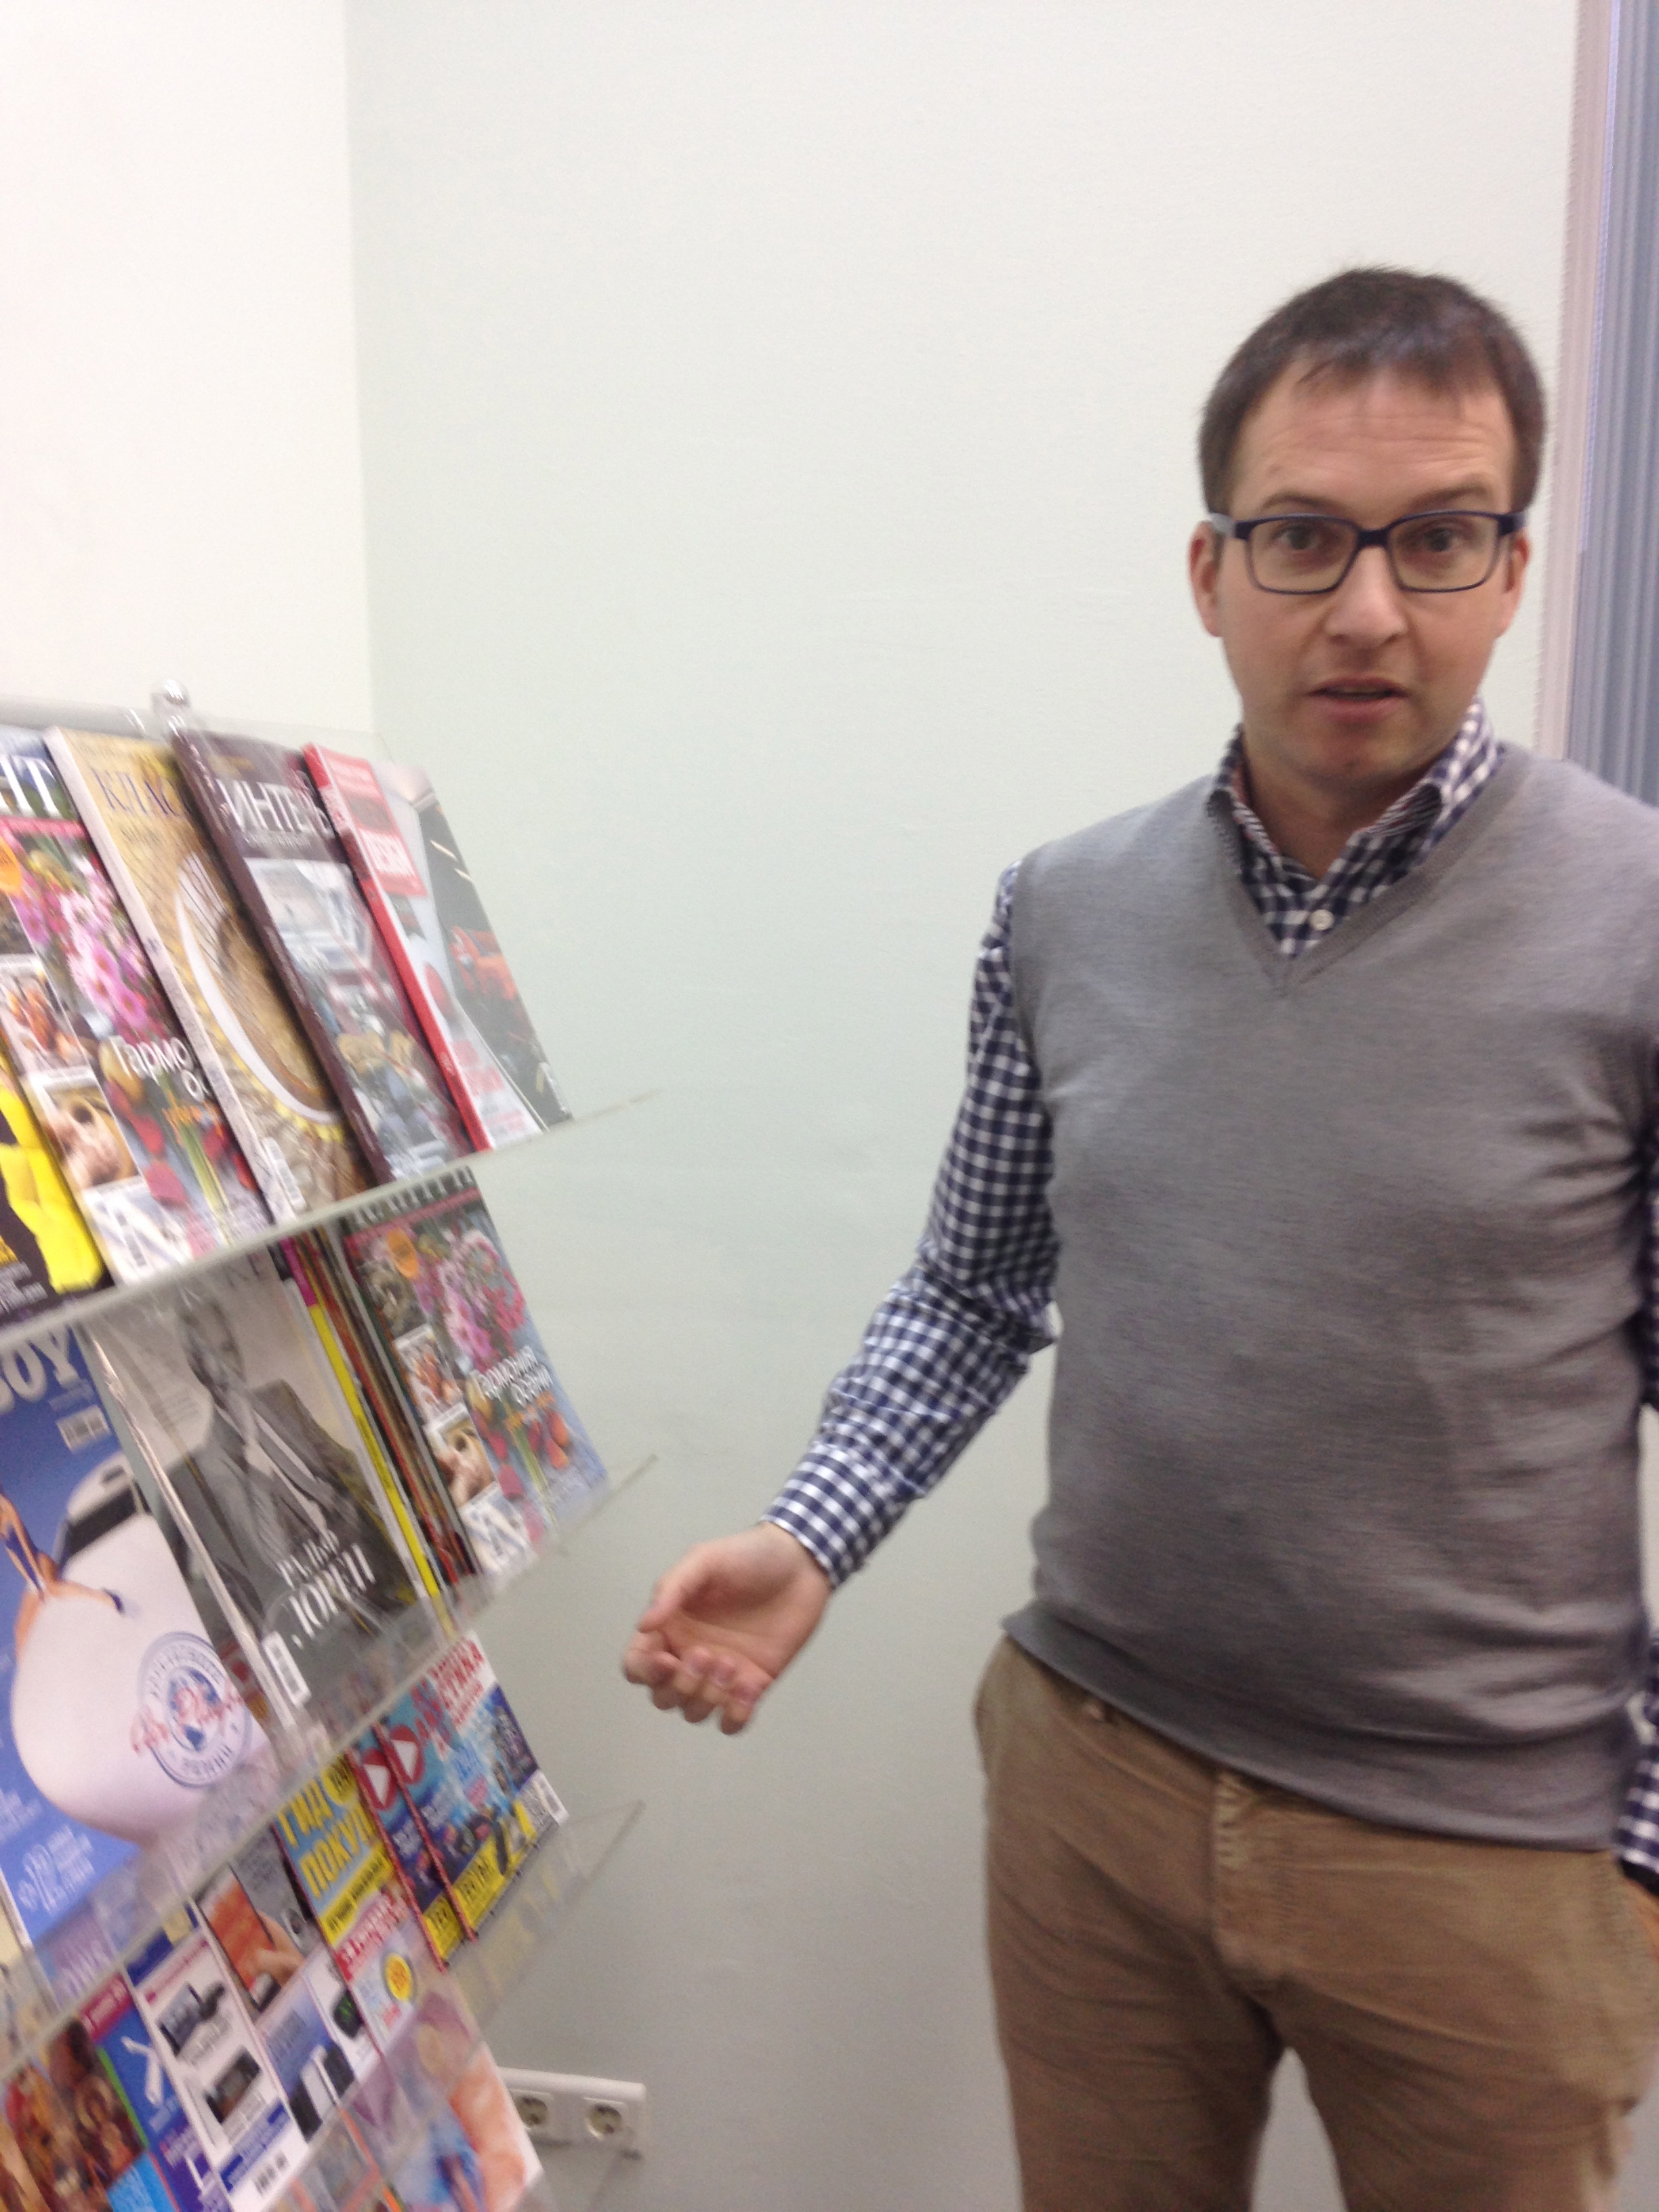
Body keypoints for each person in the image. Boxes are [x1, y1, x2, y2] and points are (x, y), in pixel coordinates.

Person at [624, 268, 1659, 2210]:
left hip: (1489, 1862)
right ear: (1210, 571)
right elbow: (974, 1286)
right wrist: (812, 1535)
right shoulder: (1067, 908)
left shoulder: (1637, 920)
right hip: (1098, 1783)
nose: (1369, 607)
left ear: (1515, 569)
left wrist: (1643, 1843)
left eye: (1439, 537)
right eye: (1304, 537)